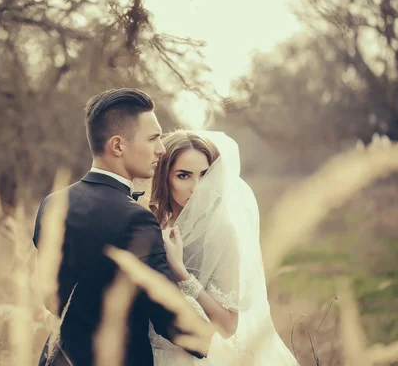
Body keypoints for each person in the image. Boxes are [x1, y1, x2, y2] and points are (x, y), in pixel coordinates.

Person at [32, 89, 210, 366]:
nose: (161, 148)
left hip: (57, 358)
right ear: (117, 146)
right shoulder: (135, 219)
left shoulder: (51, 203)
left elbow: (50, 297)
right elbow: (173, 323)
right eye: (152, 138)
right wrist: (220, 341)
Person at [148, 130, 299, 365]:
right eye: (184, 175)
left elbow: (228, 325)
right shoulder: (151, 224)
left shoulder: (220, 233)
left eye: (205, 175)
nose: (197, 188)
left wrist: (181, 273)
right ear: (163, 177)